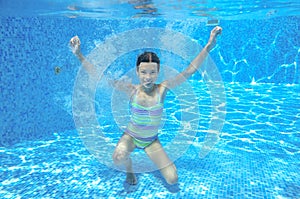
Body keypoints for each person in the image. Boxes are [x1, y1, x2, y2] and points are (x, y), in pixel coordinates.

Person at [70, 26, 222, 186]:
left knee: (173, 179)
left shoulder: (162, 89)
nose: (148, 77)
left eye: (152, 72)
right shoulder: (130, 90)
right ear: (137, 72)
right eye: (143, 72)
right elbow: (100, 77)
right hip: (131, 137)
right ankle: (130, 170)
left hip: (151, 141)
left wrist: (209, 45)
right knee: (118, 158)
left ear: (158, 72)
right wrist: (79, 54)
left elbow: (189, 70)